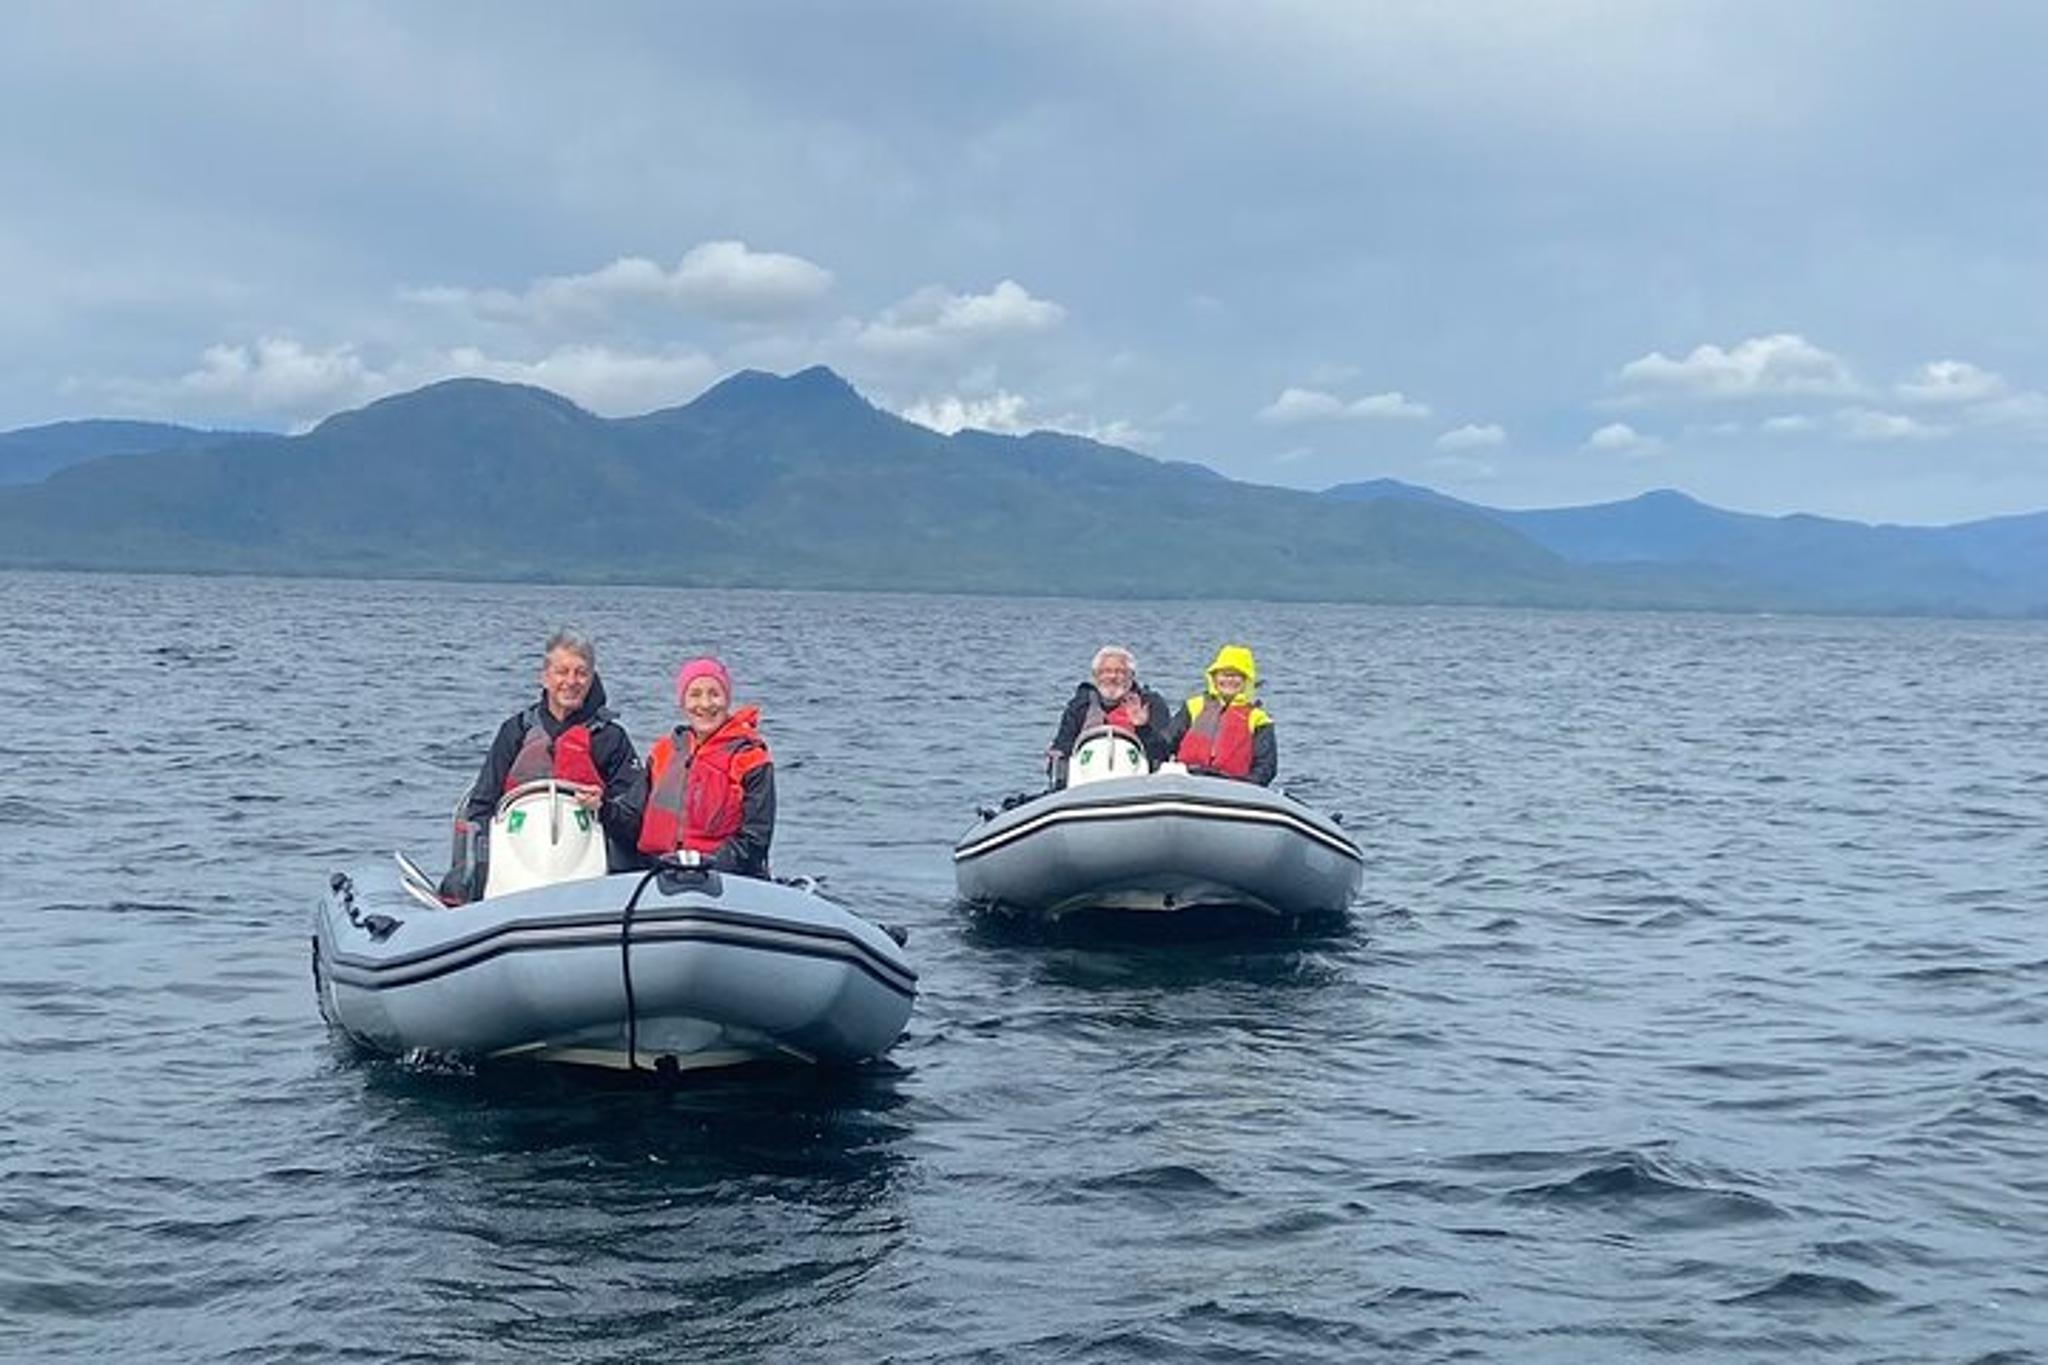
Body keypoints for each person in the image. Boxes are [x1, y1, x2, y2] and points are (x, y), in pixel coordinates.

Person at [440, 628, 646, 902]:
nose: (571, 681)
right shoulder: (515, 731)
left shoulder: (612, 738)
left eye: (581, 673)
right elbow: (481, 805)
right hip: (516, 863)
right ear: (545, 677)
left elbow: (633, 818)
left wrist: (604, 807)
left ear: (592, 678)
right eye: (562, 672)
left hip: (589, 867)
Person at [636, 656, 776, 877]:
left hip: (725, 877)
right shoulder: (663, 752)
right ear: (683, 702)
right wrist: (599, 804)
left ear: (727, 699)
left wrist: (702, 868)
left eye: (714, 694)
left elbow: (756, 838)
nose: (705, 704)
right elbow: (631, 816)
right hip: (663, 871)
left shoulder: (751, 759)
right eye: (695, 694)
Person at [1047, 645, 1173, 776]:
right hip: (1087, 777)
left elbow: (1163, 754)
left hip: (1137, 778)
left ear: (1132, 676)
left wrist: (1143, 728)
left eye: (1120, 672)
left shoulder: (1150, 704)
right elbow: (1061, 750)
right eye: (1105, 671)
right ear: (1095, 676)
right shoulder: (1080, 706)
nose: (1112, 676)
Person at [1161, 644, 1277, 786]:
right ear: (1214, 677)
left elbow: (1266, 767)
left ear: (1246, 680)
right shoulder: (1194, 707)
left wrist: (1247, 786)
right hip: (1188, 779)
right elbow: (1164, 744)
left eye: (1236, 675)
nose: (1229, 680)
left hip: (1233, 786)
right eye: (1224, 674)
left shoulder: (1258, 719)